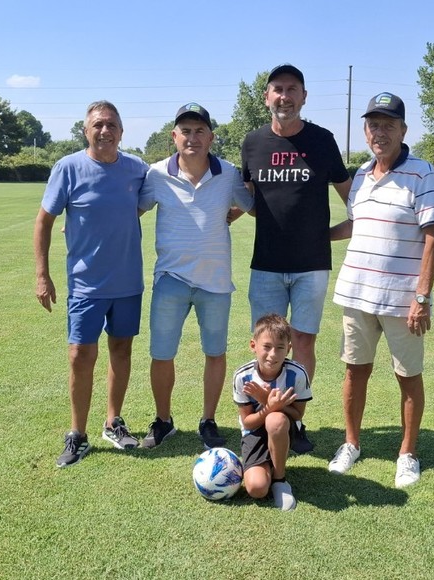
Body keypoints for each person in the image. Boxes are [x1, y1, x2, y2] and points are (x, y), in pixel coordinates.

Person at [327, 92, 434, 488]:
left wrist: (422, 298)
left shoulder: (422, 173)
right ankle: (351, 444)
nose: (380, 133)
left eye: (388, 125)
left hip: (402, 301)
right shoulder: (360, 175)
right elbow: (354, 226)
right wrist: (315, 237)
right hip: (357, 293)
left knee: (408, 376)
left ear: (403, 130)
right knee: (354, 372)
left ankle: (407, 453)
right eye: (374, 125)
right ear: (366, 131)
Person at [239, 63, 352, 453]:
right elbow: (247, 201)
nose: (284, 97)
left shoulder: (322, 140)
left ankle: (294, 418)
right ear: (266, 97)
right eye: (277, 90)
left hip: (311, 265)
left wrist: (330, 235)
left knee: (303, 343)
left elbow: (355, 201)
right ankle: (262, 419)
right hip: (266, 264)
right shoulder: (252, 142)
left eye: (292, 90)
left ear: (304, 97)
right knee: (267, 345)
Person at [34, 100, 149, 468]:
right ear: (86, 130)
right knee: (81, 356)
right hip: (85, 285)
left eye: (111, 124)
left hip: (128, 282)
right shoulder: (67, 168)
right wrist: (42, 274)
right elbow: (43, 221)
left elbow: (153, 195)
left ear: (121, 131)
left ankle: (113, 423)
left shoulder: (136, 169)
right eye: (98, 124)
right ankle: (77, 434)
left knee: (122, 351)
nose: (105, 130)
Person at [137, 103, 254, 450]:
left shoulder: (229, 173)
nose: (192, 137)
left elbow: (252, 205)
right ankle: (164, 421)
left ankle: (208, 420)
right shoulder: (157, 174)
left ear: (211, 137)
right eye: (185, 131)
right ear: (174, 137)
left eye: (200, 131)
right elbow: (134, 211)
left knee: (215, 353)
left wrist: (229, 215)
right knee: (161, 354)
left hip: (215, 282)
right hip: (171, 278)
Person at [232, 313, 311, 511]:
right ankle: (265, 464)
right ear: (253, 346)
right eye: (266, 347)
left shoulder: (297, 373)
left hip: (283, 426)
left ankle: (280, 480)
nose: (273, 354)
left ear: (289, 349)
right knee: (257, 489)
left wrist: (271, 404)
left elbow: (297, 415)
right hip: (254, 430)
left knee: (275, 421)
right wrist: (268, 406)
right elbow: (248, 423)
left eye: (280, 348)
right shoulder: (243, 376)